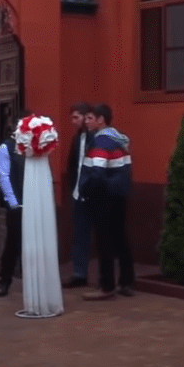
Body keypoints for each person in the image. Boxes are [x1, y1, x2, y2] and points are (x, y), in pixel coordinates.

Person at [79, 103, 135, 301]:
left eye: (90, 118)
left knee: (104, 241)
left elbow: (97, 171)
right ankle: (127, 282)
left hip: (102, 196)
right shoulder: (119, 139)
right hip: (119, 194)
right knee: (120, 238)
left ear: (101, 120)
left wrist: (87, 190)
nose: (86, 122)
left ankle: (106, 285)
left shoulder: (101, 141)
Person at [0, 108, 26, 297]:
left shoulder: (34, 148)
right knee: (12, 243)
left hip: (32, 202)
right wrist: (13, 203)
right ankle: (4, 280)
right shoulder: (6, 147)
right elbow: (3, 176)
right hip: (16, 204)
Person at [63, 102, 93, 288]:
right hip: (78, 194)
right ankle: (79, 273)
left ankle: (107, 279)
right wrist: (73, 187)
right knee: (79, 235)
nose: (74, 122)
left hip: (95, 193)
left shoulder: (97, 137)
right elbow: (73, 164)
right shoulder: (77, 138)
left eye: (76, 117)